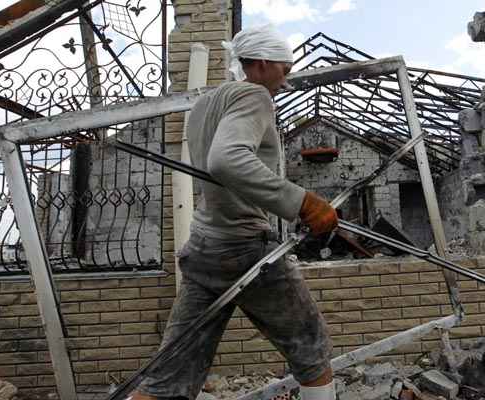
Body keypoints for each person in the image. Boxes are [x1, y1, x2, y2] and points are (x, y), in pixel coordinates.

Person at [128, 25, 339, 400]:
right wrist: (302, 202)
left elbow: (215, 162)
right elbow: (226, 160)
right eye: (284, 70)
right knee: (312, 348)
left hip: (205, 247)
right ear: (259, 64)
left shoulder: (205, 104)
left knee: (171, 369)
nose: (285, 81)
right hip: (244, 247)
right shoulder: (254, 96)